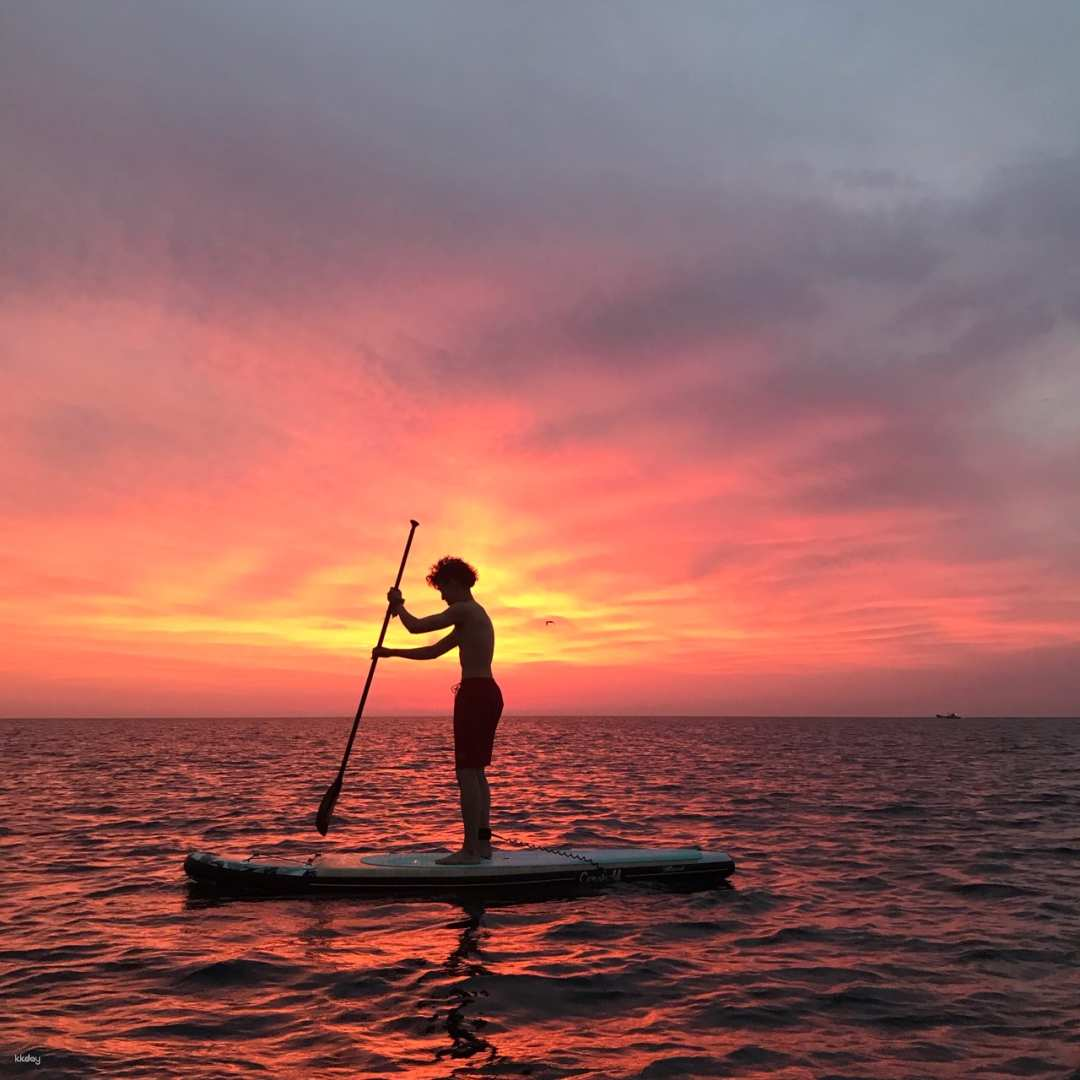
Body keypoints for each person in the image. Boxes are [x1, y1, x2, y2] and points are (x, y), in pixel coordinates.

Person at [372, 556, 503, 865]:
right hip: (487, 693)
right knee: (477, 772)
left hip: (475, 696)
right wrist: (391, 653)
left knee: (466, 773)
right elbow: (432, 652)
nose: (442, 596)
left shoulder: (464, 610)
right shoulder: (473, 616)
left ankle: (470, 850)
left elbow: (417, 627)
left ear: (455, 583)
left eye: (443, 588)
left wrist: (398, 605)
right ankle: (483, 846)